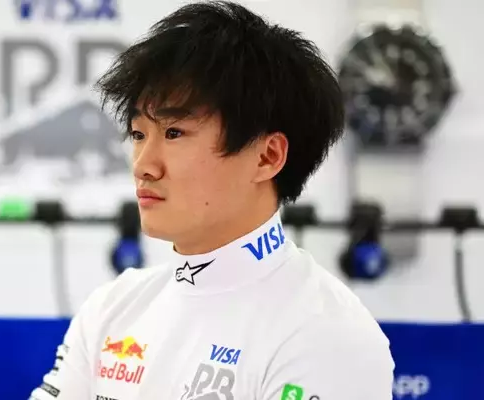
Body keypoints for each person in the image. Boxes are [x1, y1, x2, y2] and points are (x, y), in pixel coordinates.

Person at [30, 1, 395, 399]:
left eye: (173, 133)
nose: (143, 166)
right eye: (138, 134)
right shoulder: (113, 308)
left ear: (267, 156)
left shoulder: (326, 336)